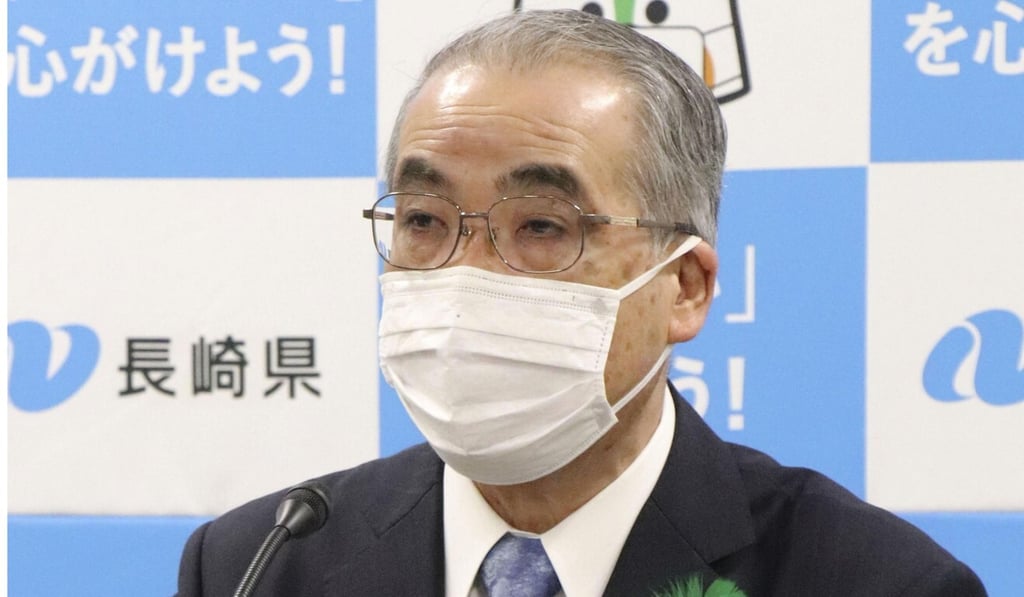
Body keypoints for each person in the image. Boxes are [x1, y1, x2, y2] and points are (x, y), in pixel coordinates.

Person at [177, 9, 986, 596]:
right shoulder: (259, 565)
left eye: (541, 226)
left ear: (684, 286)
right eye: (424, 220)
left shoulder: (872, 581)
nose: (468, 272)